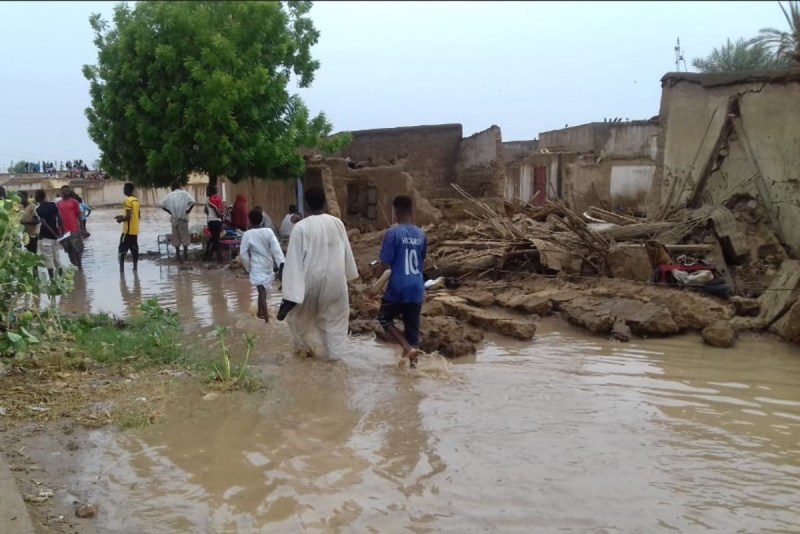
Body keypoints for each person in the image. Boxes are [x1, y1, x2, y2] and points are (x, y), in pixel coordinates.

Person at [278, 186, 359, 360]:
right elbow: (347, 257)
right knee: (334, 327)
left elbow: (293, 264)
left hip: (311, 283)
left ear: (306, 205)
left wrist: (289, 295)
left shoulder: (300, 228)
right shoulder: (337, 223)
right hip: (336, 282)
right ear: (324, 202)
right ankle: (333, 366)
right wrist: (349, 278)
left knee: (302, 324)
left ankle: (309, 369)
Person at [374, 196, 427, 369]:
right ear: (412, 212)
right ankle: (413, 372)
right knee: (413, 332)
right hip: (417, 287)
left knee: (384, 317)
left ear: (395, 213)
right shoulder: (421, 234)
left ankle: (406, 347)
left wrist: (376, 279)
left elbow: (384, 263)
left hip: (398, 286)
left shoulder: (392, 234)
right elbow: (421, 260)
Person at [239, 209, 286, 323]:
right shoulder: (268, 232)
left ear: (249, 221)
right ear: (262, 220)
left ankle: (266, 321)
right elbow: (276, 250)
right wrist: (281, 265)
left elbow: (243, 254)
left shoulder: (247, 234)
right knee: (262, 292)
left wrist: (248, 267)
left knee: (261, 292)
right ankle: (260, 312)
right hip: (268, 265)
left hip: (256, 266)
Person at [159, 183, 196, 263]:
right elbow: (193, 202)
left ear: (172, 188)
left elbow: (161, 205)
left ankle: (178, 257)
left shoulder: (169, 195)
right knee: (185, 237)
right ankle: (185, 256)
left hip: (174, 219)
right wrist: (188, 210)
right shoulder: (185, 193)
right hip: (183, 218)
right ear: (179, 187)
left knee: (176, 238)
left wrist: (170, 212)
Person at [34, 189, 63, 279]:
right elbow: (60, 218)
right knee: (58, 260)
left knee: (49, 262)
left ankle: (52, 281)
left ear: (38, 197)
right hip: (56, 237)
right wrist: (61, 233)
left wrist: (54, 234)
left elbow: (44, 224)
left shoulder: (38, 209)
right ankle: (61, 280)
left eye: (35, 196)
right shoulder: (53, 205)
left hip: (46, 238)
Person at [115, 182, 141, 273]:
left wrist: (121, 220)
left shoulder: (128, 201)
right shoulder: (136, 201)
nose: (123, 190)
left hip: (127, 231)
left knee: (121, 252)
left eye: (124, 189)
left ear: (128, 190)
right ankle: (135, 269)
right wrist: (122, 216)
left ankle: (121, 271)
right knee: (134, 251)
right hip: (135, 231)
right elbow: (137, 215)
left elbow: (129, 216)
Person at [58, 185, 84, 271]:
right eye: (65, 191)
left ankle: (79, 266)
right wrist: (60, 232)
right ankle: (75, 267)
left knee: (78, 250)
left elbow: (79, 215)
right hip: (64, 232)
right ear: (61, 192)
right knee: (69, 251)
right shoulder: (58, 204)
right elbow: (58, 218)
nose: (66, 192)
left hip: (75, 230)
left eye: (68, 191)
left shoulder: (74, 202)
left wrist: (83, 228)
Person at [203, 184, 225, 262]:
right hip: (217, 222)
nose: (206, 192)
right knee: (213, 239)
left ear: (210, 191)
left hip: (212, 222)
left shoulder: (209, 200)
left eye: (207, 191)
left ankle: (219, 258)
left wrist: (211, 212)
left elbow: (205, 211)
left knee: (214, 240)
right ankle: (208, 256)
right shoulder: (218, 199)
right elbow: (220, 212)